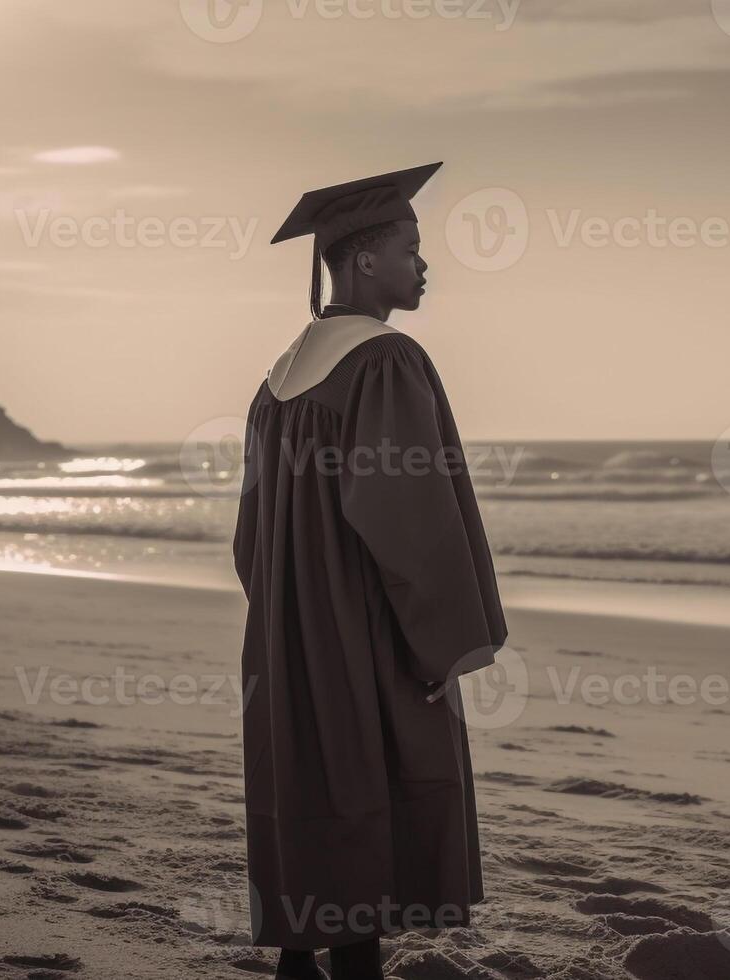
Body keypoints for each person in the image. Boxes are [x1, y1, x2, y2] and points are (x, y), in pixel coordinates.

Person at [232, 162, 508, 980]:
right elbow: (406, 515)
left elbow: (251, 533)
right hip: (362, 616)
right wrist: (441, 639)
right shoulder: (384, 359)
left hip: (287, 620)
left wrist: (286, 609)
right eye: (411, 248)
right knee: (370, 765)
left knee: (311, 772)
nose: (424, 265)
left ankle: (299, 957)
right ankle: (355, 964)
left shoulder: (279, 378)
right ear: (362, 262)